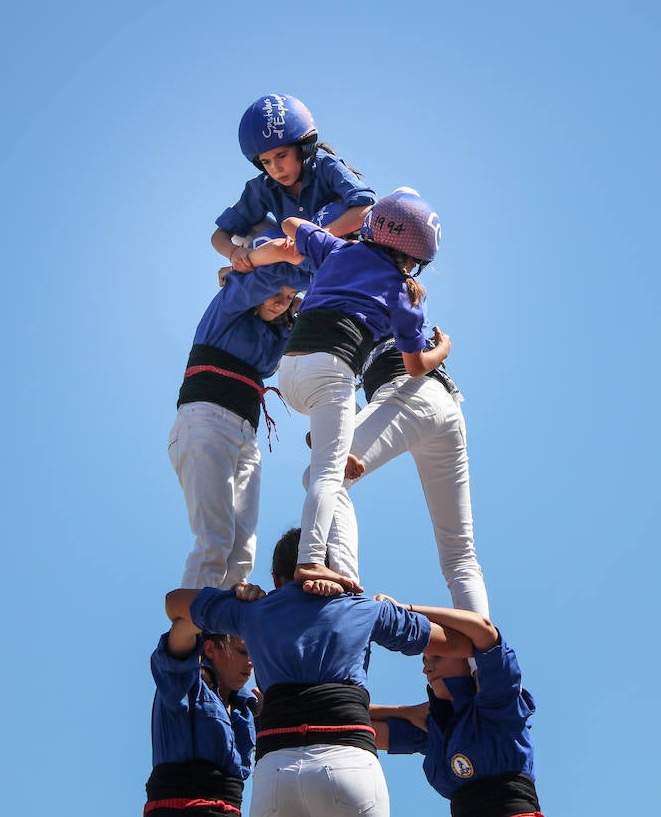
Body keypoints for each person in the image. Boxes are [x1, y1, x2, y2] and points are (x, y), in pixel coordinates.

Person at [165, 528, 476, 817]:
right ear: (330, 570)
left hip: (276, 771)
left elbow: (173, 602)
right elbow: (462, 644)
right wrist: (403, 609)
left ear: (275, 578)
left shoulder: (251, 611)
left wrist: (235, 596)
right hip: (347, 762)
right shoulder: (364, 609)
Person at [250, 188, 449, 588]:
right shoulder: (405, 292)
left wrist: (324, 234)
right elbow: (414, 367)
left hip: (289, 373)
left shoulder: (337, 250)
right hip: (331, 370)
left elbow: (290, 223)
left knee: (334, 450)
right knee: (328, 473)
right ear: (416, 258)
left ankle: (343, 442)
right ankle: (311, 561)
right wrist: (442, 350)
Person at [171, 244, 310, 589]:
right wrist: (305, 253)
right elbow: (270, 275)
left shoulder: (278, 334)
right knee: (215, 539)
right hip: (206, 421)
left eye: (288, 297)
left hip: (245, 434)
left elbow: (315, 314)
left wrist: (304, 301)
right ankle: (193, 620)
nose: (281, 301)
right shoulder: (229, 306)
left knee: (242, 549)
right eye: (275, 293)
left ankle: (228, 621)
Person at [326, 328, 489, 616]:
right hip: (440, 406)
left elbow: (414, 366)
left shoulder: (368, 310)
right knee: (459, 554)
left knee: (324, 477)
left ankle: (347, 594)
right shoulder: (359, 324)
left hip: (408, 392)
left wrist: (443, 349)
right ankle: (481, 643)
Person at [369, 603, 542, 817]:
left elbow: (483, 629)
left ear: (467, 658)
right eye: (424, 661)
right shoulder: (437, 727)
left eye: (437, 657)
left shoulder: (498, 701)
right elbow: (354, 726)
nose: (426, 668)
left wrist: (404, 609)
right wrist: (406, 712)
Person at [212, 94, 375, 273]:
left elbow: (368, 209)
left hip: (340, 249)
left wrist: (317, 236)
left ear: (302, 147)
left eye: (282, 156)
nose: (276, 168)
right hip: (299, 264)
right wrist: (234, 254)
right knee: (262, 238)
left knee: (333, 212)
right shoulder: (263, 187)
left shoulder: (326, 166)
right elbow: (219, 236)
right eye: (266, 162)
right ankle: (245, 277)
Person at [147, 606, 259, 816]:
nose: (251, 662)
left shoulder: (248, 708)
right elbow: (180, 632)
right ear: (210, 649)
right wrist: (221, 604)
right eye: (242, 651)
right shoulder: (183, 684)